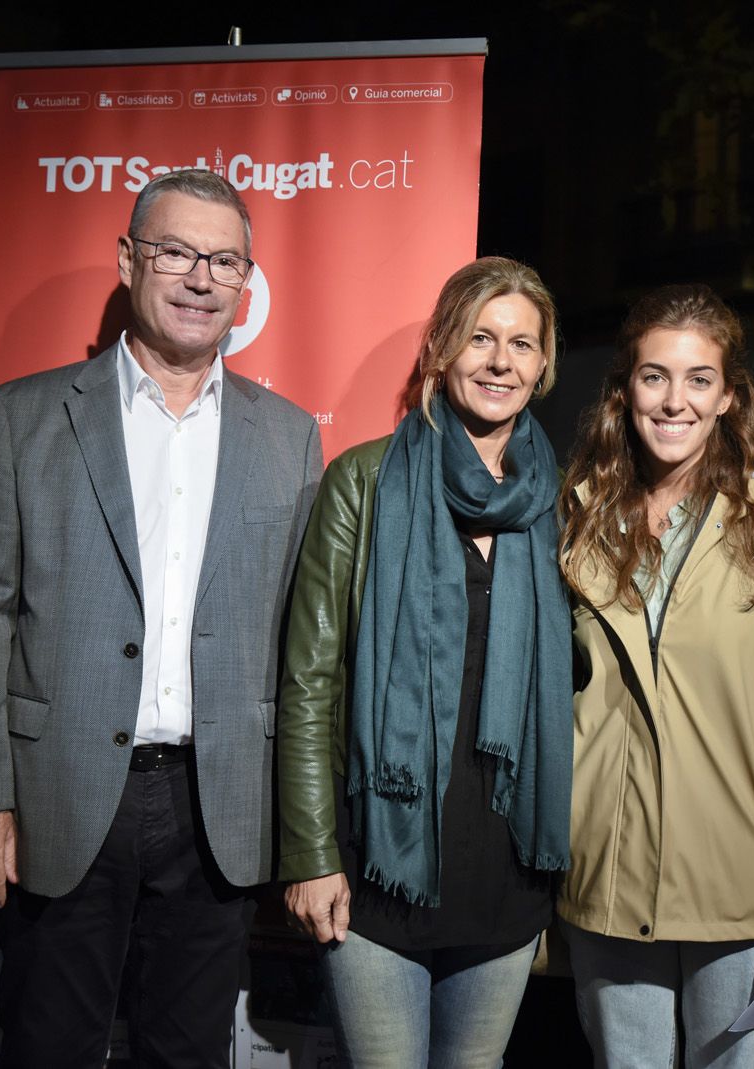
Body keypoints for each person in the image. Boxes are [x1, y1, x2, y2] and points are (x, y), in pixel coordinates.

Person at [0, 168, 323, 1068]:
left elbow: (307, 644)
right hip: (59, 796)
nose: (200, 279)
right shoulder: (23, 418)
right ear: (128, 259)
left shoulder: (291, 435)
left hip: (218, 804)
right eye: (177, 252)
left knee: (186, 1054)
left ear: (246, 281)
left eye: (225, 261)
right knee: (48, 1046)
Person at [277, 256, 573, 1067]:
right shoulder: (365, 481)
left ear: (544, 364)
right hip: (378, 863)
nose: (500, 361)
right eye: (480, 337)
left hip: (506, 870)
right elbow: (309, 681)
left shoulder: (559, 504)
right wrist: (310, 854)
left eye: (522, 343)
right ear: (442, 348)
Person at [557, 284, 754, 1067]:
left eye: (697, 379)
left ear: (727, 396)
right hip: (605, 872)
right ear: (625, 390)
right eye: (654, 376)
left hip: (738, 880)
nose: (673, 400)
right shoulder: (574, 518)